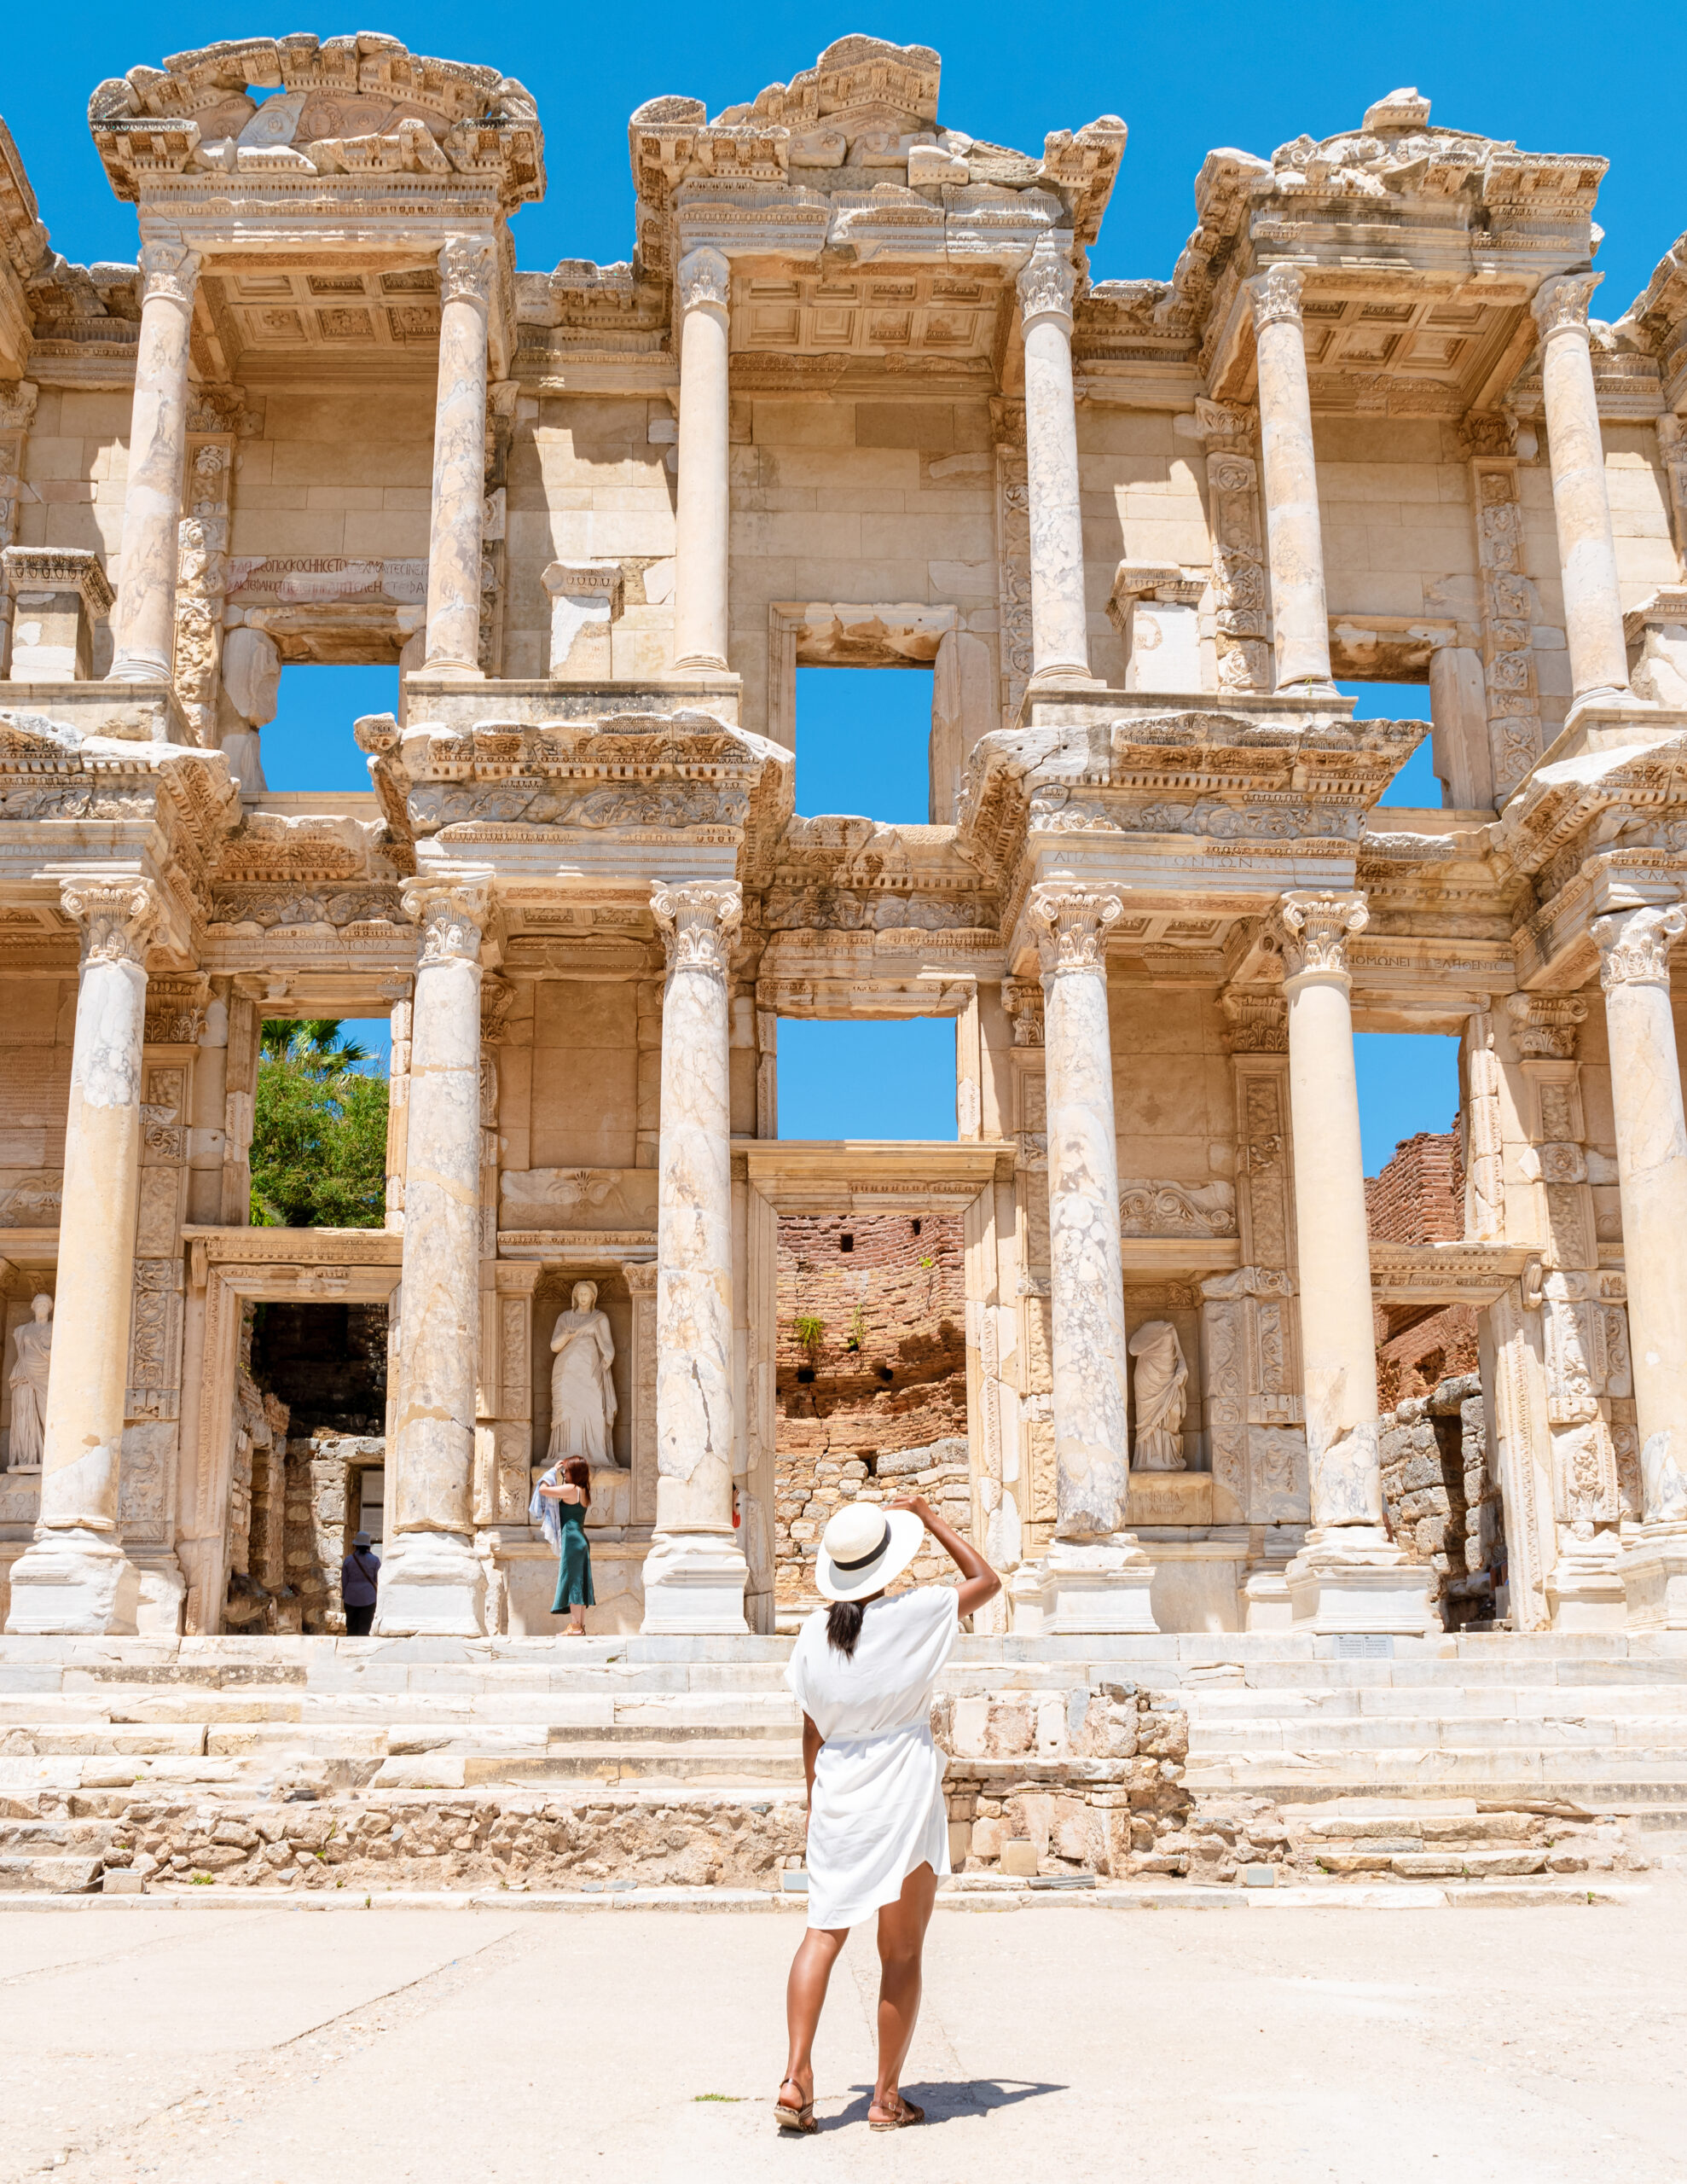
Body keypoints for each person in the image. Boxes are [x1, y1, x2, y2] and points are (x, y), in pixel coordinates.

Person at [775, 1492, 1000, 2135]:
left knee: (822, 1932)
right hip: (901, 1785)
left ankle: (795, 2078)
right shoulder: (917, 1613)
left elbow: (811, 1731)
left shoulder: (813, 1635)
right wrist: (930, 1519)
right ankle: (885, 2097)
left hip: (840, 1790)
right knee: (900, 1952)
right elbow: (986, 1581)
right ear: (885, 1563)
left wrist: (815, 1797)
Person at [532, 1454, 594, 1635]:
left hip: (572, 1541)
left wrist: (552, 1470)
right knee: (579, 1582)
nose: (564, 1474)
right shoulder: (583, 1491)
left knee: (574, 1582)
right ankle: (579, 1626)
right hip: (581, 1539)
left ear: (574, 1472)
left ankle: (575, 1626)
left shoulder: (570, 1489)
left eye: (566, 1471)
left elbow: (543, 1489)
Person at [7, 1294, 54, 1471]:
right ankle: (29, 1456)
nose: (42, 1308)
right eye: (39, 1304)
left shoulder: (55, 1328)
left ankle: (50, 1454)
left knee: (46, 1414)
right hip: (24, 1375)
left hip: (46, 1376)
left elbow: (56, 1355)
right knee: (24, 1414)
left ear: (50, 1308)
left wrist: (36, 1346)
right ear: (33, 1307)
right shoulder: (21, 1330)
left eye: (45, 1305)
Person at [340, 1531, 380, 1636]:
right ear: (368, 1546)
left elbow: (344, 1581)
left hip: (351, 1597)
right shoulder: (375, 1560)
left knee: (351, 1627)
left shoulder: (348, 1560)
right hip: (369, 1597)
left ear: (356, 1545)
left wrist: (345, 1595)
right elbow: (378, 1579)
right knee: (365, 1628)